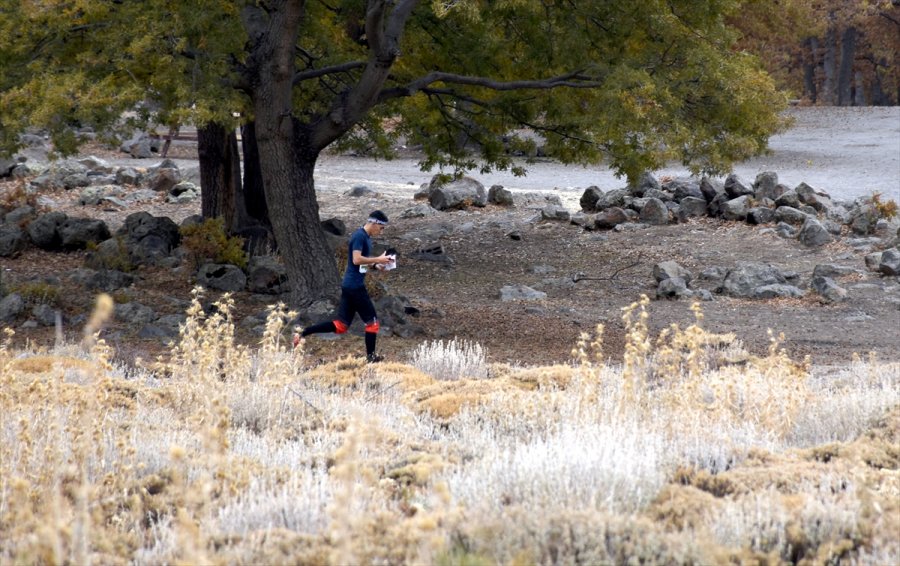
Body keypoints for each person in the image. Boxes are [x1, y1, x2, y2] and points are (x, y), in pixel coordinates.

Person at [300, 210, 393, 362]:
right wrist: (378, 258)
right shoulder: (359, 236)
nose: (381, 231)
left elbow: (360, 264)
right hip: (355, 286)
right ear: (375, 223)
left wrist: (377, 265)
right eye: (381, 228)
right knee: (372, 323)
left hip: (350, 285)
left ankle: (304, 332)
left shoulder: (366, 238)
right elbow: (356, 260)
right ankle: (371, 358)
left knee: (341, 325)